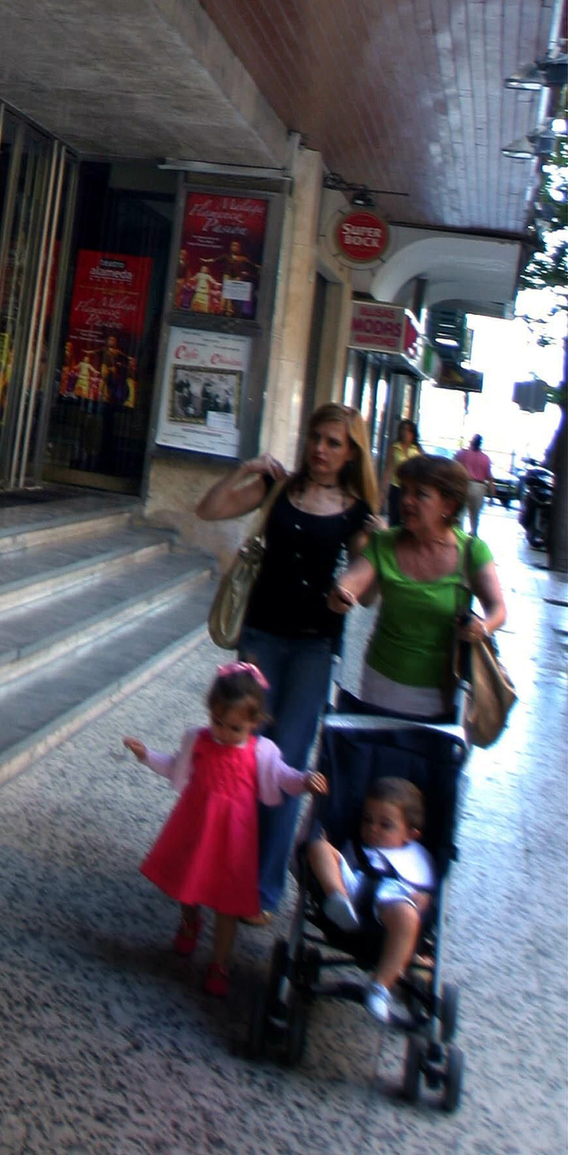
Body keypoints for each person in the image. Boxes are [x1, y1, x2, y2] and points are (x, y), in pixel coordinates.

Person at [194, 402, 376, 917]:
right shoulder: (281, 490)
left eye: (333, 442)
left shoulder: (360, 513)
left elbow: (371, 581)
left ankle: (262, 891)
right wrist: (245, 470)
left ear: (350, 452)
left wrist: (358, 579)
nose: (320, 449)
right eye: (316, 438)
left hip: (315, 647)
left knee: (287, 765)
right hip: (262, 636)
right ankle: (220, 870)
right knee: (242, 755)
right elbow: (208, 509)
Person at [124, 664, 324, 998]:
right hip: (196, 826)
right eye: (217, 722)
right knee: (189, 885)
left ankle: (220, 962)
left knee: (227, 902)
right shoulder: (199, 740)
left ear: (254, 723)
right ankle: (190, 921)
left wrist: (304, 782)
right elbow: (175, 766)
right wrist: (147, 756)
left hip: (235, 839)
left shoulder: (261, 752)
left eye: (234, 727)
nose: (223, 732)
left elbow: (283, 776)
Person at [330, 454, 507, 718]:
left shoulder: (472, 551)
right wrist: (341, 593)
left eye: (420, 494)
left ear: (448, 504)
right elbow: (352, 582)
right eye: (405, 491)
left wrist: (482, 627)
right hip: (381, 681)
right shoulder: (385, 543)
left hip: (443, 690)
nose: (406, 501)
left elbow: (498, 610)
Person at [306, 777, 434, 1026]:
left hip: (393, 894)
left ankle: (380, 987)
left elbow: (426, 890)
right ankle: (337, 898)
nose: (372, 829)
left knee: (407, 917)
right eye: (367, 820)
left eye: (385, 825)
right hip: (353, 884)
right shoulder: (357, 844)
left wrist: (423, 897)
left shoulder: (416, 857)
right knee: (318, 848)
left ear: (410, 834)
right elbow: (336, 856)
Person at [453, 434, 493, 534]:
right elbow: (489, 478)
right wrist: (491, 495)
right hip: (479, 487)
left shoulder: (462, 454)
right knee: (475, 516)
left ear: (471, 442)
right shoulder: (485, 458)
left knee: (460, 512)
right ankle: (473, 535)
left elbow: (453, 466)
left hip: (463, 484)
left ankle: (459, 535)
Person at [386, 417, 421, 523]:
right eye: (403, 429)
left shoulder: (417, 449)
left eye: (408, 430)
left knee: (408, 515)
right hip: (396, 486)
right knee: (394, 516)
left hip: (411, 487)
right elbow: (388, 468)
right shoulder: (394, 447)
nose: (405, 433)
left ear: (413, 433)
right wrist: (383, 489)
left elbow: (422, 469)